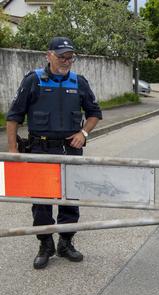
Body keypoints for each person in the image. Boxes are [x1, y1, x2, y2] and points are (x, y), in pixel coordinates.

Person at [6, 36, 102, 269]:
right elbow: (14, 117)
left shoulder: (79, 82)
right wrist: (12, 151)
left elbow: (94, 113)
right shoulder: (34, 81)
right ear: (48, 55)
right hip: (40, 149)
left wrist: (84, 134)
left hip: (70, 149)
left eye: (70, 57)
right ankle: (45, 244)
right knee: (41, 202)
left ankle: (65, 242)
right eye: (61, 56)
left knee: (70, 199)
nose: (66, 61)